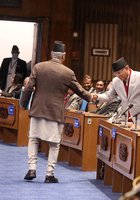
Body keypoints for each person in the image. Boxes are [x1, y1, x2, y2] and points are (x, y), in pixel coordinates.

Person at [20, 41, 92, 183]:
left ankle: (32, 168)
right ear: (63, 56)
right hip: (55, 113)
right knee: (54, 144)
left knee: (33, 139)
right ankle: (49, 174)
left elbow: (28, 88)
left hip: (37, 110)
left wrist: (23, 103)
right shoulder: (68, 72)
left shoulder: (38, 67)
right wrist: (92, 98)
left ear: (52, 55)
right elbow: (80, 91)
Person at [93, 57, 140, 130]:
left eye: (119, 73)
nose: (117, 75)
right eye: (115, 74)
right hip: (126, 118)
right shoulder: (116, 81)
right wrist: (97, 96)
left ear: (126, 68)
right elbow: (109, 96)